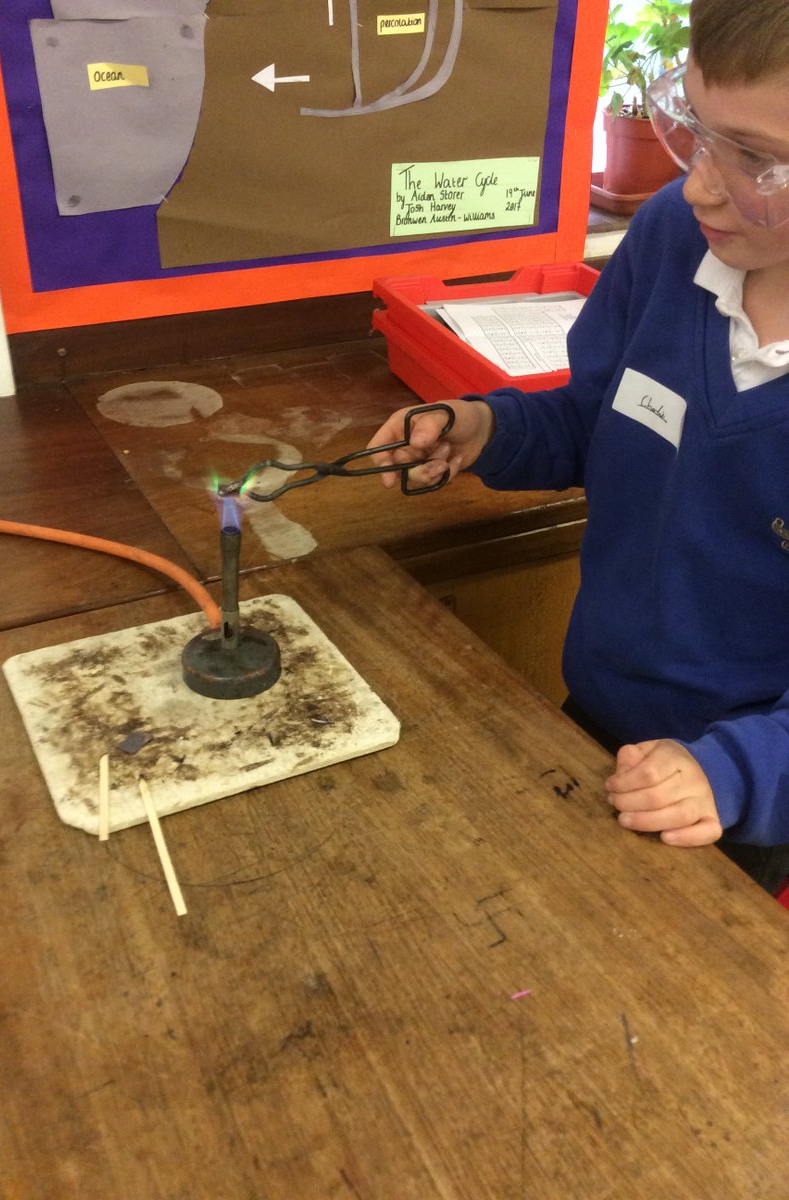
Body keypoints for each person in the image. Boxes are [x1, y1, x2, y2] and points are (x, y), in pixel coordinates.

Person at [367, 0, 789, 892]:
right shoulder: (677, 234)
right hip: (597, 708)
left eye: (756, 159)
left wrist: (737, 772)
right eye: (698, 134)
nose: (703, 184)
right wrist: (489, 428)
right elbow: (605, 417)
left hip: (739, 792)